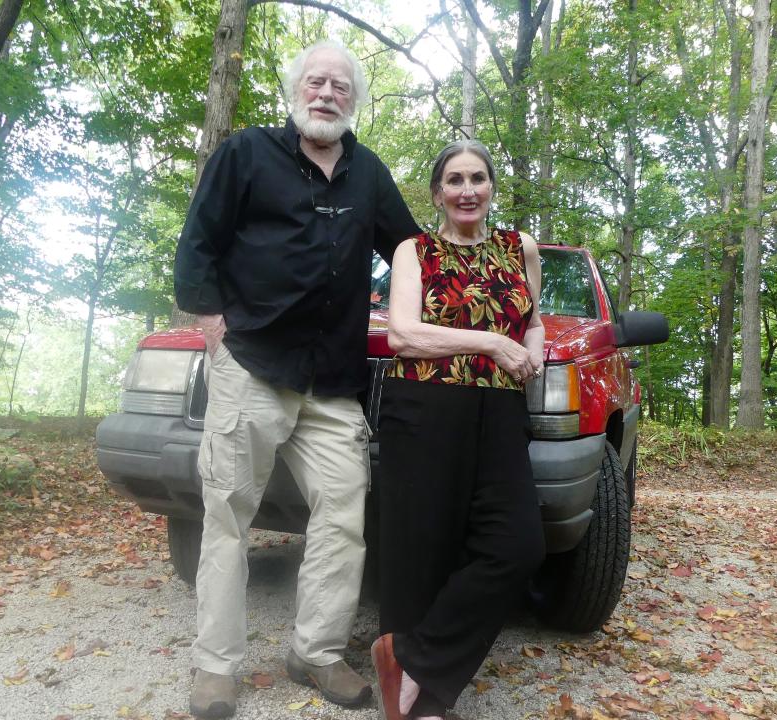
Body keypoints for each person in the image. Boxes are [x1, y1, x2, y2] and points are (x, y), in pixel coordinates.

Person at [173, 40, 419, 720]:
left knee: (344, 515)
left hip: (332, 383)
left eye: (342, 85)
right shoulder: (247, 154)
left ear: (354, 100)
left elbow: (410, 251)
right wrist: (214, 323)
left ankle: (315, 651)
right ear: (295, 90)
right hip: (251, 364)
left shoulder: (369, 173)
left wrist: (488, 282)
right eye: (317, 80)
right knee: (227, 517)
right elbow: (199, 242)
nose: (328, 92)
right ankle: (215, 667)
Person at [370, 139, 547, 720]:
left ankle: (410, 657)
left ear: (492, 186)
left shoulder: (519, 248)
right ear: (437, 192)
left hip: (500, 412)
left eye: (477, 178)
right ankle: (423, 700)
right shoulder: (412, 251)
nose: (467, 190)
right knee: (420, 546)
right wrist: (494, 343)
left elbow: (534, 322)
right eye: (454, 180)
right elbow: (402, 334)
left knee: (517, 545)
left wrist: (532, 350)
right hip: (424, 407)